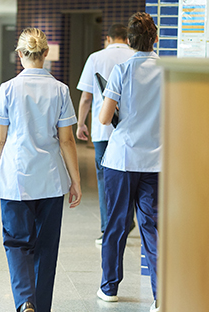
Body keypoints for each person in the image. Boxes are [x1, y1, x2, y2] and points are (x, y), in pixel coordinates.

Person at [0, 28, 82, 312]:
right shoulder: (60, 90)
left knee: (17, 242)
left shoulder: (7, 89)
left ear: (20, 55)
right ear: (46, 55)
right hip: (51, 178)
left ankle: (24, 301)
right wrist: (75, 180)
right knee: (45, 244)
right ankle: (38, 307)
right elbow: (67, 140)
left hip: (16, 176)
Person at [97, 12, 161, 312]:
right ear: (155, 39)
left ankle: (109, 288)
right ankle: (161, 296)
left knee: (116, 225)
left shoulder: (122, 70)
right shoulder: (168, 71)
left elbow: (104, 118)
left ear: (131, 41)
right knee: (153, 226)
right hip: (156, 160)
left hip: (121, 160)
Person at [76, 24, 135, 245]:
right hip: (129, 129)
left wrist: (81, 123)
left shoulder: (95, 58)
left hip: (102, 129)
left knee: (104, 177)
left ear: (108, 38)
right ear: (127, 38)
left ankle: (107, 227)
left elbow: (86, 97)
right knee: (129, 175)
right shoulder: (135, 56)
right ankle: (127, 220)